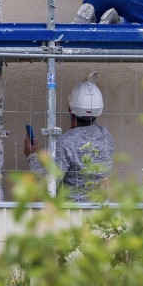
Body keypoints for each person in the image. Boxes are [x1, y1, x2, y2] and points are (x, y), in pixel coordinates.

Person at [24, 72, 114, 202]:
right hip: (100, 212)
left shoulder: (65, 142)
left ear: (69, 109)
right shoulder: (106, 136)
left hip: (72, 214)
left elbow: (47, 184)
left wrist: (32, 156)